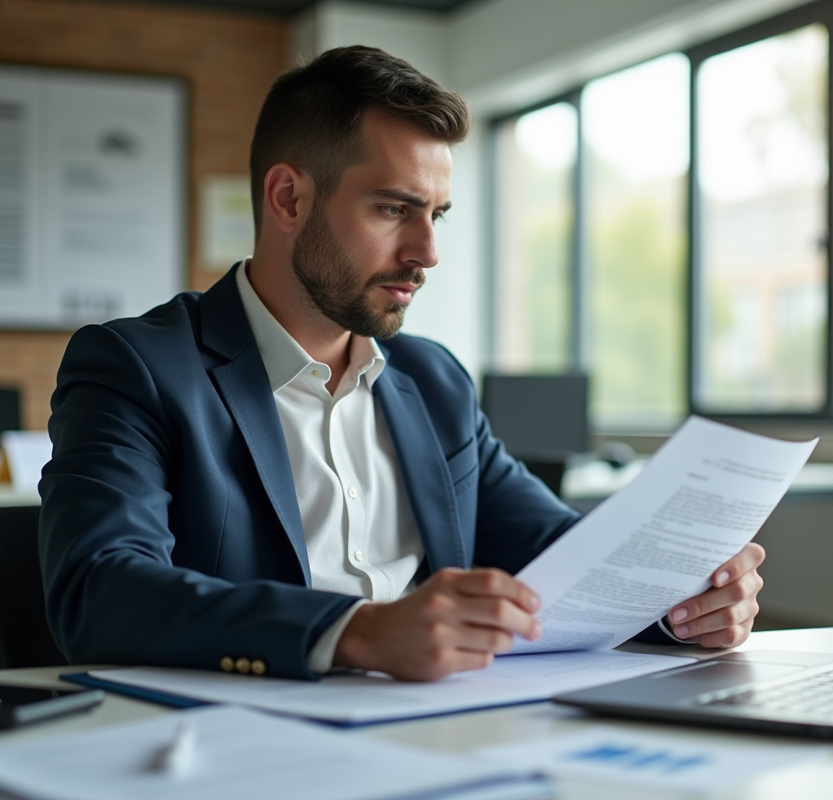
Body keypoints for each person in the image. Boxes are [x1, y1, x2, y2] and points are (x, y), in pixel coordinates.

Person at [39, 45, 765, 682]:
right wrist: (355, 632)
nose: (427, 252)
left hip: (443, 732)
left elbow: (559, 557)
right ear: (288, 197)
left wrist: (679, 599)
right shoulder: (138, 365)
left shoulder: (433, 381)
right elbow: (100, 591)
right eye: (393, 209)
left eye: (437, 214)